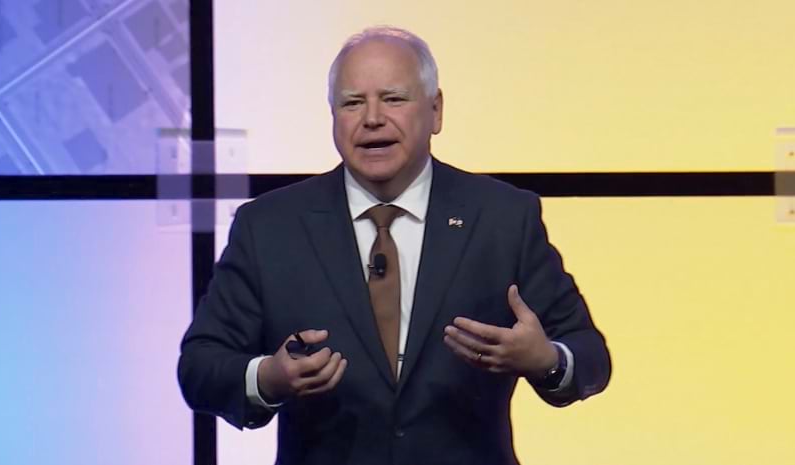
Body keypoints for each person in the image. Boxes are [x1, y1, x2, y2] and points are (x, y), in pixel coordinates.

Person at [178, 26, 611, 465]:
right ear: (333, 116)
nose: (372, 119)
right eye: (352, 102)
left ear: (436, 111)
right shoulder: (268, 227)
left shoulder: (502, 218)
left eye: (393, 98)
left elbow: (590, 357)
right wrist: (268, 378)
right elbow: (199, 369)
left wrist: (545, 361)